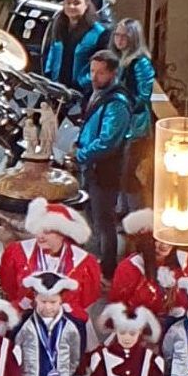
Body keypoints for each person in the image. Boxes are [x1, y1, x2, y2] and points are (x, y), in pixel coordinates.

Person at [0, 197, 101, 327]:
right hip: (25, 320)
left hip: (67, 324)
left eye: (47, 232)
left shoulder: (85, 262)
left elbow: (88, 299)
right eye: (38, 230)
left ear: (63, 233)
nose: (40, 236)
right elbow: (9, 286)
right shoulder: (18, 252)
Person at [75, 50, 133, 280]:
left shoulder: (117, 103)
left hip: (105, 170)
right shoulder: (98, 93)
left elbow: (108, 142)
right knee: (92, 215)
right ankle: (96, 259)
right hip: (91, 166)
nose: (94, 77)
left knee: (104, 220)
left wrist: (81, 155)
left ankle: (108, 268)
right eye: (92, 71)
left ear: (113, 73)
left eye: (100, 72)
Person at [112, 209, 188, 327]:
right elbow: (118, 307)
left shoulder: (186, 261)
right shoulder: (129, 268)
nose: (164, 244)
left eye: (168, 238)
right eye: (158, 239)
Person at [112, 19, 155, 212]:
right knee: (120, 170)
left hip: (136, 126)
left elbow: (144, 95)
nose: (119, 40)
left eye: (124, 36)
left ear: (133, 38)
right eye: (117, 35)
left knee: (130, 173)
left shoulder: (140, 62)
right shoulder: (121, 59)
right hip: (123, 123)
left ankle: (137, 215)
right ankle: (123, 210)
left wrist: (124, 107)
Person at [41, 0, 108, 92]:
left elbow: (101, 67)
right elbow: (51, 54)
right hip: (56, 88)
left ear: (86, 5)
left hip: (83, 92)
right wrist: (49, 81)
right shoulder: (58, 26)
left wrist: (81, 85)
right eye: (68, 3)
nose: (71, 6)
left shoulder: (99, 33)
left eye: (76, 3)